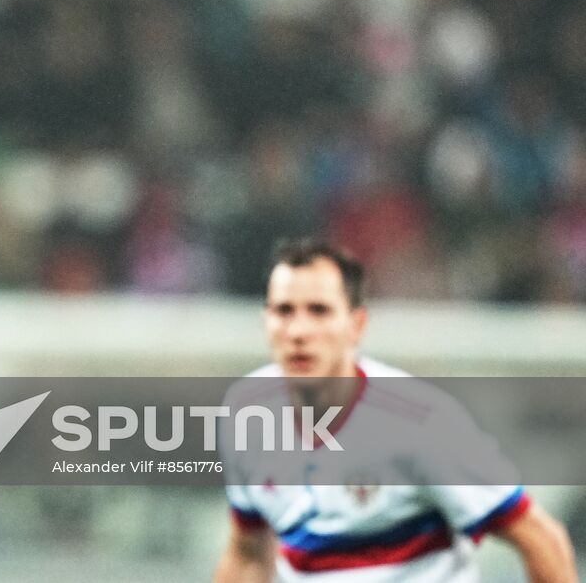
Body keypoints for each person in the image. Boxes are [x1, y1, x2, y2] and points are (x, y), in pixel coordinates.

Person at [214, 238, 576, 582]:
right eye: (284, 311)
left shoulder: (418, 421)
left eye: (319, 311)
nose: (298, 330)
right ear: (265, 321)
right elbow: (248, 551)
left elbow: (541, 539)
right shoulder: (247, 412)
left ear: (356, 325)